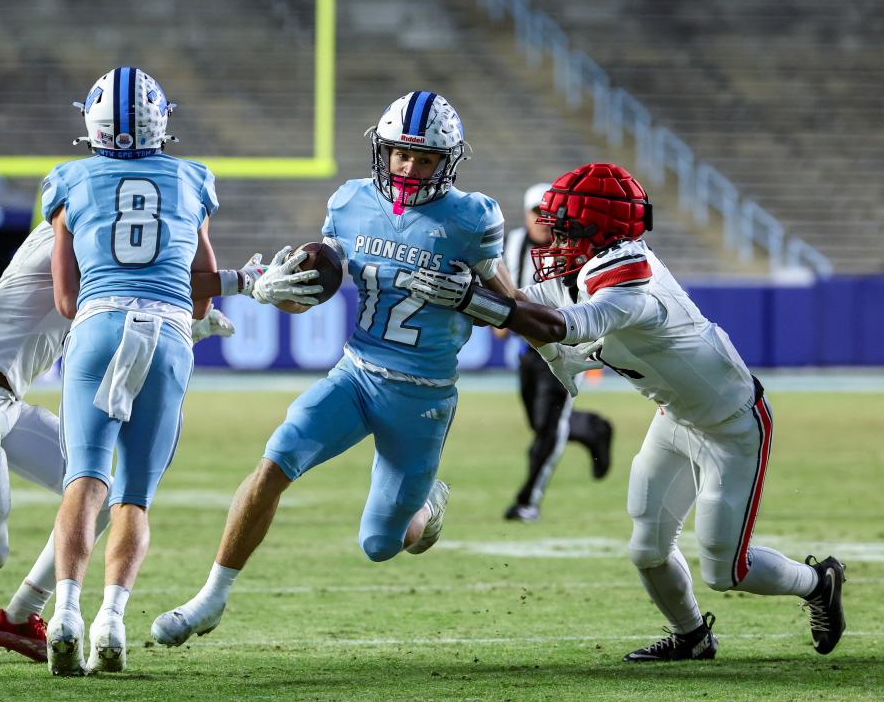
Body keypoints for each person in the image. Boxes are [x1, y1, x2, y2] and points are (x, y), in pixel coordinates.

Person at [407, 162, 847, 661]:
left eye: (566, 231)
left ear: (598, 233)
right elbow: (521, 302)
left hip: (731, 426)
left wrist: (476, 301)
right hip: (675, 417)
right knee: (647, 547)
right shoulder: (590, 267)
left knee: (727, 571)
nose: (554, 243)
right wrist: (464, 279)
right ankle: (692, 637)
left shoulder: (630, 280)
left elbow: (562, 326)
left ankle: (818, 582)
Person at [150, 90, 516, 648]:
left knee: (381, 543)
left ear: (447, 162)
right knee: (276, 459)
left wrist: (473, 299)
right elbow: (311, 290)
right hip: (356, 374)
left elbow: (508, 312)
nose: (408, 167)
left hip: (423, 397)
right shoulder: (350, 202)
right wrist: (274, 291)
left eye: (423, 159)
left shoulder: (471, 218)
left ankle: (427, 507)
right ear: (383, 151)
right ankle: (211, 599)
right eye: (400, 154)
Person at [0, 212, 247, 664]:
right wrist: (240, 282)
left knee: (97, 495)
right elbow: (129, 285)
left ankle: (21, 616)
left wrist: (188, 325)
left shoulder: (84, 243)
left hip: (4, 402)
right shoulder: (68, 243)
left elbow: (120, 311)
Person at [42, 67, 322, 676]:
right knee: (134, 496)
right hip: (167, 335)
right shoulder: (191, 178)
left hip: (96, 328)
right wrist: (235, 289)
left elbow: (66, 302)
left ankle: (63, 611)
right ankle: (110, 622)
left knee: (84, 481)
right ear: (160, 121)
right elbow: (200, 293)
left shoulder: (68, 180)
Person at [497, 182, 613, 523]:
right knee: (541, 425)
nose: (541, 220)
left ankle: (527, 501)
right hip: (529, 349)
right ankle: (592, 428)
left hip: (564, 349)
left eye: (547, 214)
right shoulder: (516, 243)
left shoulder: (575, 250)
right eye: (536, 213)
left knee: (548, 431)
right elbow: (504, 282)